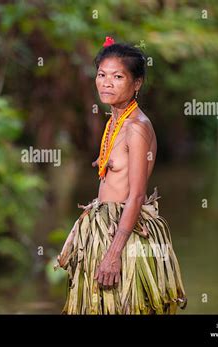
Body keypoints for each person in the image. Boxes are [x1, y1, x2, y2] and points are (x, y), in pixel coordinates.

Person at [55, 36, 187, 314]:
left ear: (136, 83)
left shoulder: (136, 127)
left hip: (122, 232)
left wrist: (113, 255)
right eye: (101, 75)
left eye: (117, 76)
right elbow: (121, 162)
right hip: (103, 224)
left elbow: (137, 194)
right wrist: (107, 162)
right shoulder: (117, 120)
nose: (106, 83)